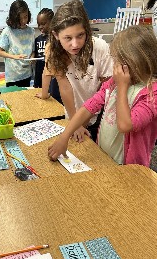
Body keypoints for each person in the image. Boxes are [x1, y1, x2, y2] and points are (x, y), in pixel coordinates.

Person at [48, 25, 157, 166]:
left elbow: (125, 125)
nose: (114, 65)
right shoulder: (114, 82)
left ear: (136, 61)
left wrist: (123, 87)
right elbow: (89, 107)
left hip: (130, 168)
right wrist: (64, 137)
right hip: (105, 157)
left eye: (118, 60)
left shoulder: (152, 93)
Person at [40, 0, 113, 142]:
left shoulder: (100, 48)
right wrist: (75, 122)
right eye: (67, 38)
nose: (75, 44)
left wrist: (82, 121)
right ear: (56, 35)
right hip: (72, 112)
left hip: (96, 112)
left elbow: (104, 91)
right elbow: (65, 88)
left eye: (80, 35)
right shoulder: (53, 50)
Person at [0, 0, 35, 87]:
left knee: (25, 97)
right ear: (14, 17)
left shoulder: (31, 31)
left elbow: (33, 50)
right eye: (20, 18)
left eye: (25, 17)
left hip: (27, 72)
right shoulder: (7, 31)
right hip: (13, 75)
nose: (23, 21)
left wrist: (32, 58)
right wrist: (15, 57)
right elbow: (0, 52)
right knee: (13, 98)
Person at [34, 8, 63, 104]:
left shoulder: (54, 41)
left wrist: (44, 94)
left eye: (43, 23)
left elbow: (48, 71)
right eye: (39, 24)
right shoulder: (42, 40)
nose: (41, 27)